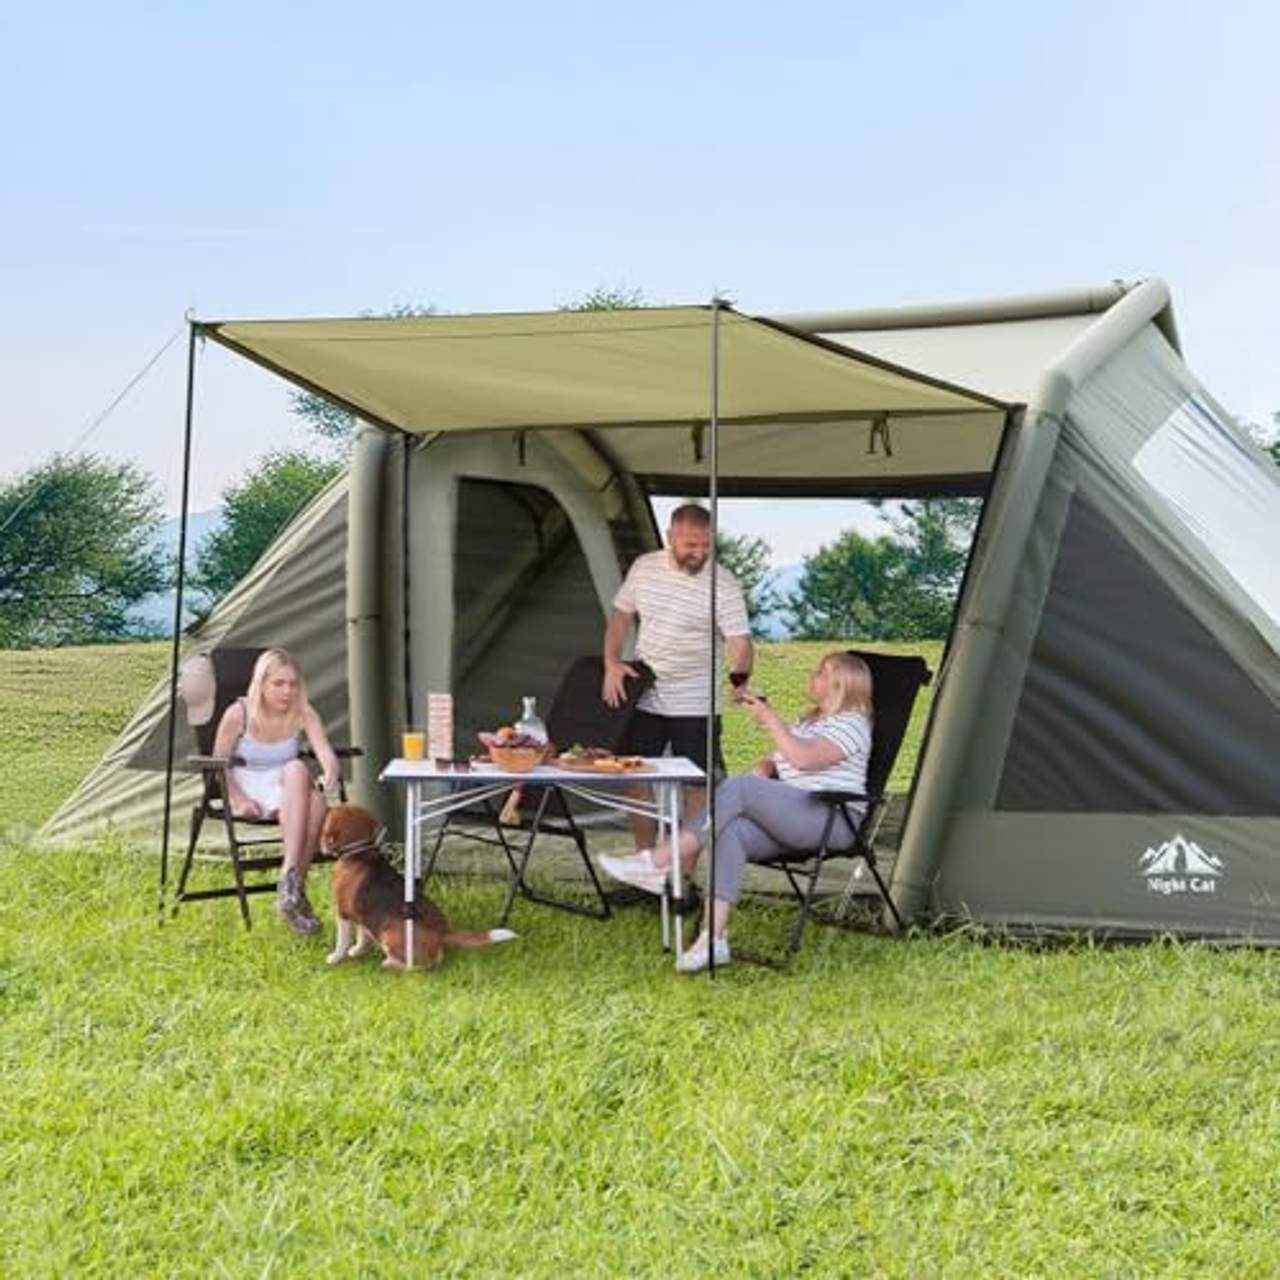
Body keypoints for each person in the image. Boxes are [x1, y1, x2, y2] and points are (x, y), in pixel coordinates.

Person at [602, 651, 873, 972]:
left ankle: (660, 860)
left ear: (841, 685)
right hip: (797, 815)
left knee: (740, 787)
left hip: (832, 819)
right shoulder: (809, 721)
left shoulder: (852, 723)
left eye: (822, 673)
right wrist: (765, 767)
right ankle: (713, 940)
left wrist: (770, 720)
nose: (812, 676)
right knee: (732, 831)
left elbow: (804, 759)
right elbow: (780, 758)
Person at [600, 503, 754, 859]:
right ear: (670, 537)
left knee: (697, 785)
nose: (699, 553)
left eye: (706, 545)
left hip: (697, 701)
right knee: (634, 777)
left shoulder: (723, 583)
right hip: (646, 694)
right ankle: (646, 864)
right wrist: (611, 663)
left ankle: (682, 874)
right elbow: (621, 617)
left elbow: (740, 641)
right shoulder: (644, 568)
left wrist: (739, 678)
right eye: (690, 545)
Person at [212, 648, 339, 936]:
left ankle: (289, 882)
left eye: (293, 684)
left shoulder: (303, 712)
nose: (287, 691)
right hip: (246, 784)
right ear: (262, 683)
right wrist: (240, 799)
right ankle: (294, 888)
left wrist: (330, 773)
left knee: (303, 779)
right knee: (311, 795)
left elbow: (326, 754)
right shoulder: (239, 713)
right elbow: (218, 766)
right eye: (279, 683)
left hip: (288, 786)